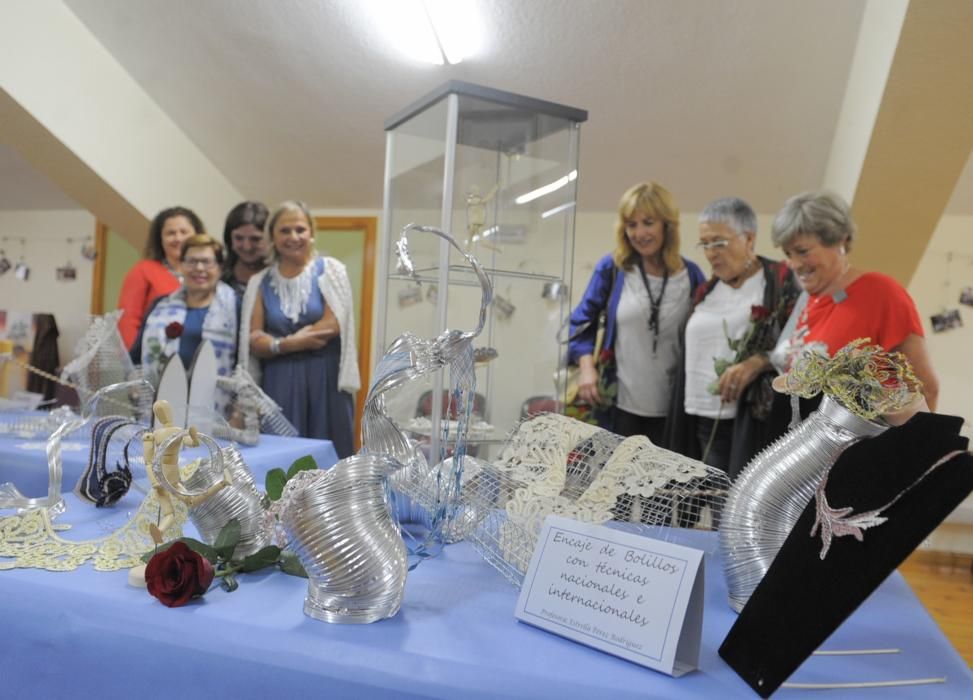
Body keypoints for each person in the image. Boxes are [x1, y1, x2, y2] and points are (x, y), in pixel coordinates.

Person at [770, 190, 939, 415]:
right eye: (788, 253)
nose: (794, 264)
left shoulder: (880, 293)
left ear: (840, 240)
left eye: (803, 251)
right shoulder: (807, 299)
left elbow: (925, 389)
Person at [665, 197, 800, 478]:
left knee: (739, 496)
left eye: (719, 242)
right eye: (704, 244)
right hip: (699, 415)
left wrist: (757, 363)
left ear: (749, 238)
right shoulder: (706, 290)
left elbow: (801, 342)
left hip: (750, 420)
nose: (710, 253)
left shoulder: (780, 280)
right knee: (705, 495)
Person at [568, 182, 705, 442]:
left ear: (667, 224)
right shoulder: (612, 269)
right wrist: (587, 369)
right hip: (618, 407)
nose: (639, 233)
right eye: (631, 224)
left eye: (648, 222)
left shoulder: (692, 276)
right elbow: (580, 323)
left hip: (673, 411)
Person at [238, 201, 360, 457]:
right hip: (279, 382)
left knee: (330, 457)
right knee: (281, 457)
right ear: (272, 237)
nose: (293, 237)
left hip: (325, 381)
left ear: (311, 233)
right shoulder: (260, 282)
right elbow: (254, 339)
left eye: (300, 229)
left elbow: (333, 324)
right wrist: (289, 344)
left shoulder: (331, 270)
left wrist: (275, 343)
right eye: (284, 231)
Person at [130, 234, 239, 390]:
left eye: (207, 262)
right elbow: (136, 356)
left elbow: (243, 362)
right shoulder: (160, 305)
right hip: (164, 396)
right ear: (181, 265)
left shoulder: (234, 307)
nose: (199, 268)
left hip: (216, 398)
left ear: (220, 267)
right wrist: (134, 386)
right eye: (191, 262)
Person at [117, 206, 204, 349]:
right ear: (160, 239)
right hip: (153, 354)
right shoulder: (143, 270)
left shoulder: (210, 273)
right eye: (170, 233)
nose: (178, 238)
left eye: (184, 232)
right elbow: (127, 321)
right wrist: (135, 358)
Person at [222, 201, 269, 298]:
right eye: (239, 238)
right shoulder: (219, 274)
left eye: (255, 239)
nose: (247, 247)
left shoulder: (283, 274)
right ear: (229, 239)